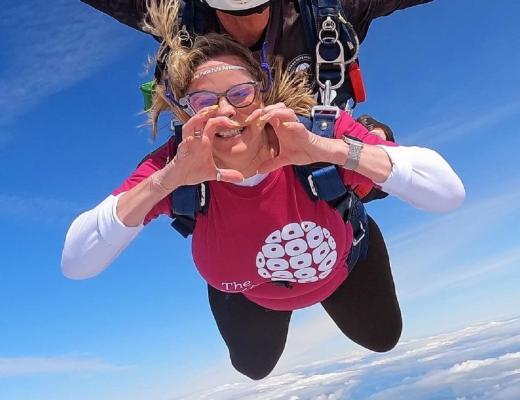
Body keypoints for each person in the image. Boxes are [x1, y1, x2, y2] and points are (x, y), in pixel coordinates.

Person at [62, 1, 465, 380]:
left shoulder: (306, 134)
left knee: (382, 336)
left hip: (343, 258)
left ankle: (371, 149)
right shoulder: (175, 167)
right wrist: (166, 181)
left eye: (239, 94)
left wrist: (333, 150)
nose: (224, 111)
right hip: (247, 288)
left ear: (262, 92)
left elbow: (448, 193)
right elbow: (77, 262)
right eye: (204, 101)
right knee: (254, 366)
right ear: (184, 109)